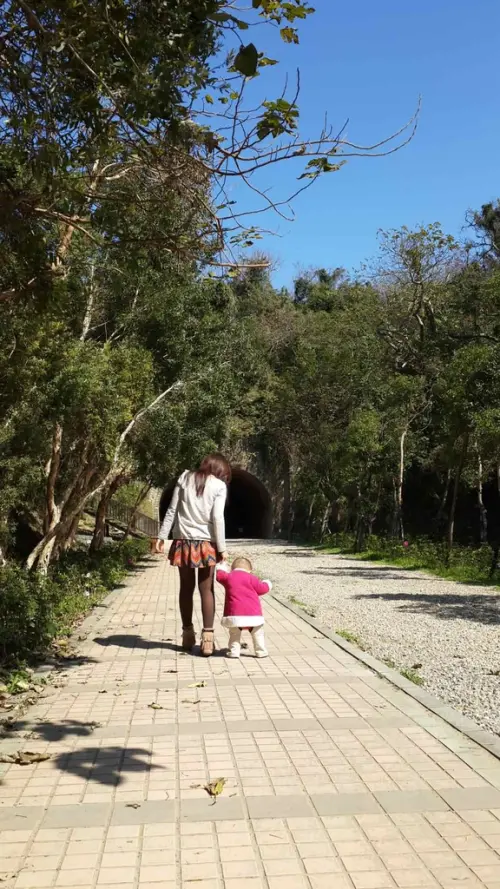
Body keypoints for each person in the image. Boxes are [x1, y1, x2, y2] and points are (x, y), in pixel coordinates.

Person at [157, 453, 231, 657]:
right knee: (207, 589)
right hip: (206, 543)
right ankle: (208, 641)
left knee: (186, 588)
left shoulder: (184, 478)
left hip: (183, 542)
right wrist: (222, 548)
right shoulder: (219, 486)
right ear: (219, 470)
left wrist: (162, 536)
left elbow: (172, 509)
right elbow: (218, 518)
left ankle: (187, 636)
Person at [216, 556, 272, 659]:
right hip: (253, 615)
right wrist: (267, 583)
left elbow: (219, 576)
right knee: (258, 634)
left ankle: (234, 651)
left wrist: (221, 566)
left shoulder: (229, 576)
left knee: (234, 634)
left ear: (232, 568)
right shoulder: (252, 578)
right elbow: (262, 589)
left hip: (234, 615)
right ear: (250, 570)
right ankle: (261, 651)